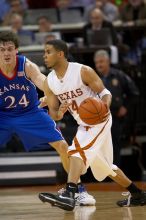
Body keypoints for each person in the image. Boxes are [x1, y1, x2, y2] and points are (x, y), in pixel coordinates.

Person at [38, 39, 146, 211]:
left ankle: (69, 193)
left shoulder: (82, 71)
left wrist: (104, 107)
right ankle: (138, 194)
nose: (44, 56)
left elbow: (105, 92)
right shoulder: (49, 82)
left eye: (48, 52)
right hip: (83, 123)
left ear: (60, 54)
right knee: (105, 168)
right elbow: (54, 114)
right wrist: (61, 112)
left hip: (99, 120)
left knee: (74, 150)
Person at [0, 31, 95, 206]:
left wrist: (55, 94)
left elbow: (44, 82)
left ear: (16, 51)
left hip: (30, 112)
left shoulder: (25, 65)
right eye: (1, 49)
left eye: (9, 49)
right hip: (3, 115)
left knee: (62, 145)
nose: (6, 53)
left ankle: (78, 190)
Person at [93, 49, 139, 166]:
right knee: (99, 148)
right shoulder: (92, 78)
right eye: (97, 62)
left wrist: (125, 107)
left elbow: (134, 93)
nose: (99, 65)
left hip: (115, 117)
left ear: (108, 61)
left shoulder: (119, 75)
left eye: (102, 61)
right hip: (97, 119)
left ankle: (115, 176)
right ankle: (102, 179)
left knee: (114, 146)